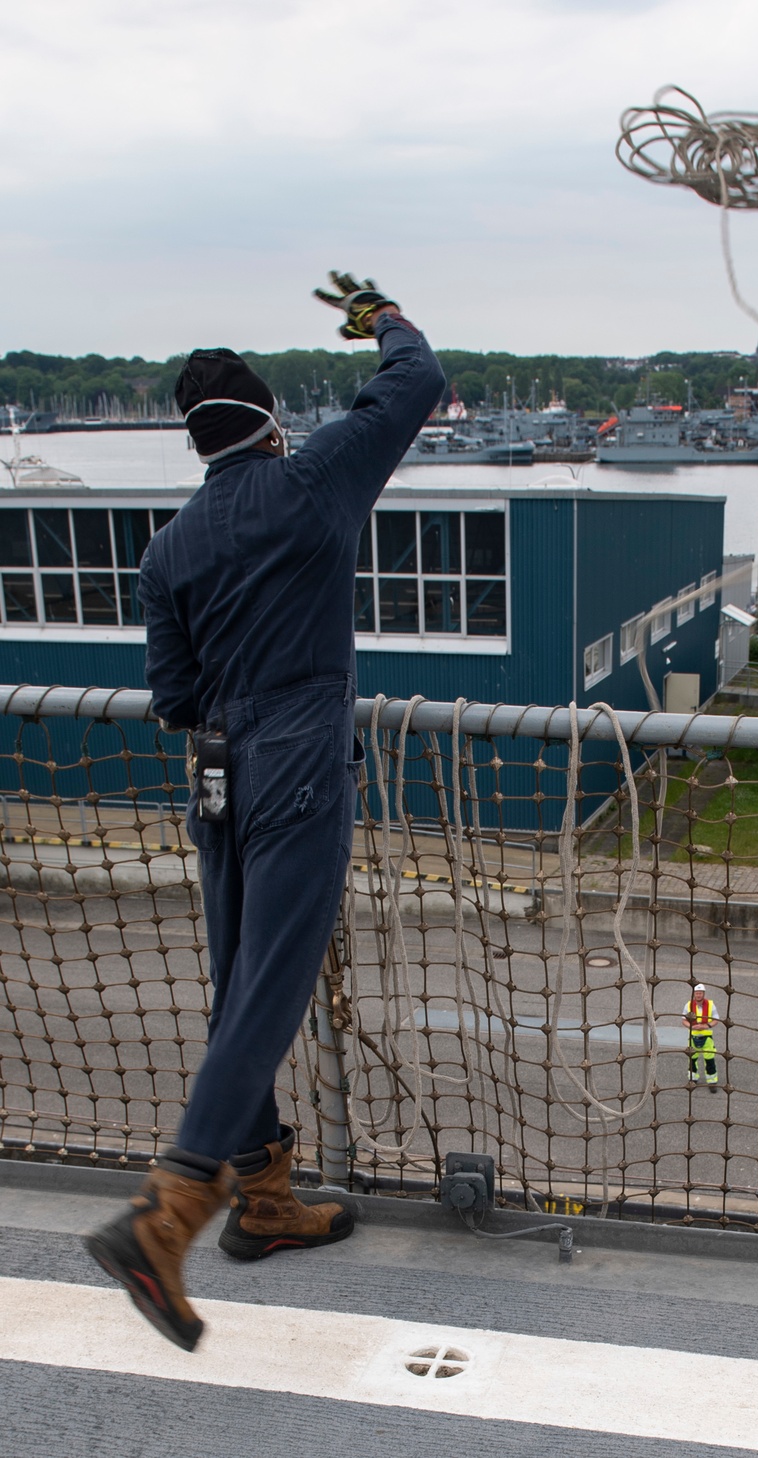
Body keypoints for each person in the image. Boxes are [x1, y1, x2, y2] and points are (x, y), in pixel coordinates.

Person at [85, 273, 445, 1352]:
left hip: (216, 772)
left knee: (238, 983)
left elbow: (175, 697)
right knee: (269, 994)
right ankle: (171, 1216)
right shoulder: (314, 483)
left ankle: (269, 1201)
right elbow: (415, 380)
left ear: (197, 444)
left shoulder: (168, 550)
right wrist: (378, 314)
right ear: (272, 426)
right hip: (295, 758)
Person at [683, 982, 720, 1090]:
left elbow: (716, 1019)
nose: (698, 995)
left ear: (704, 994)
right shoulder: (688, 1005)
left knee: (710, 1060)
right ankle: (692, 1079)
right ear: (694, 994)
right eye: (697, 993)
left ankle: (712, 1082)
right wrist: (691, 1027)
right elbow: (683, 1020)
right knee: (692, 1060)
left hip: (707, 1037)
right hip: (693, 1036)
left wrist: (707, 1025)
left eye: (700, 993)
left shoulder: (711, 1005)